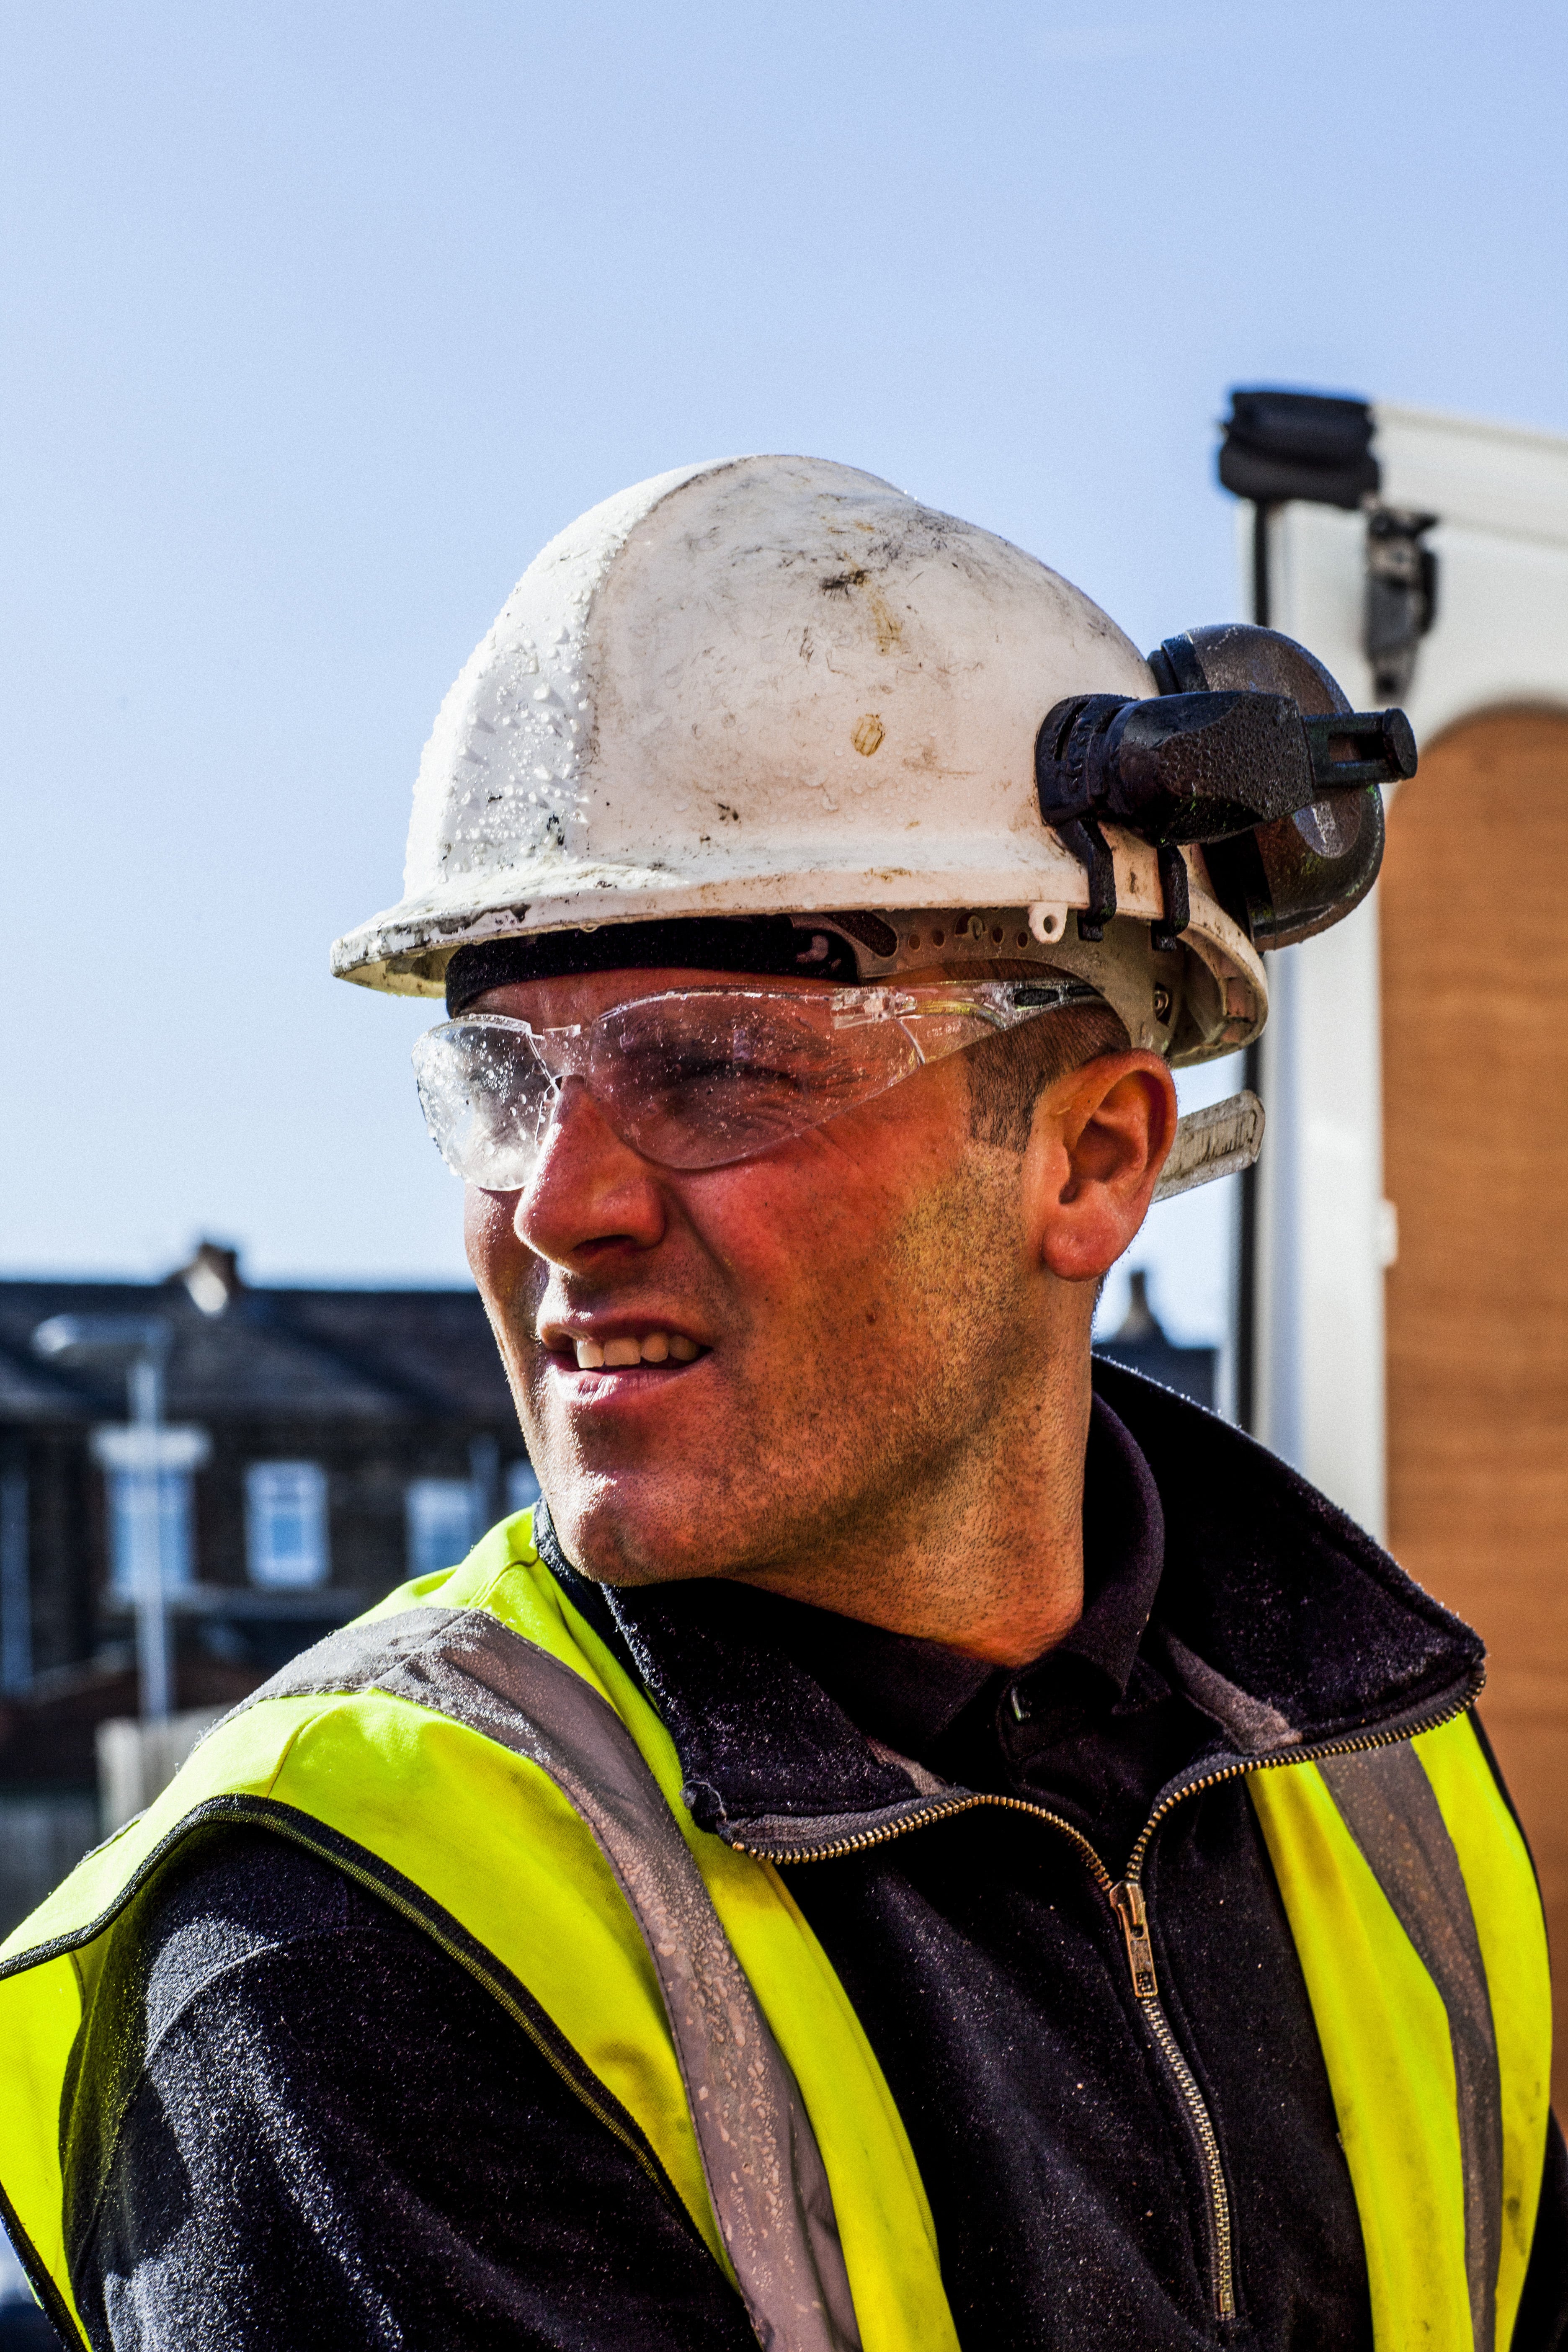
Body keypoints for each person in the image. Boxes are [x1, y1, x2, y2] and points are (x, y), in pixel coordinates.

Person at [1, 456, 1561, 2350]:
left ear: (1092, 1161)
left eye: (722, 1071)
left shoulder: (1381, 1777)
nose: (559, 1207)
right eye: (500, 1079)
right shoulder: (355, 1939)